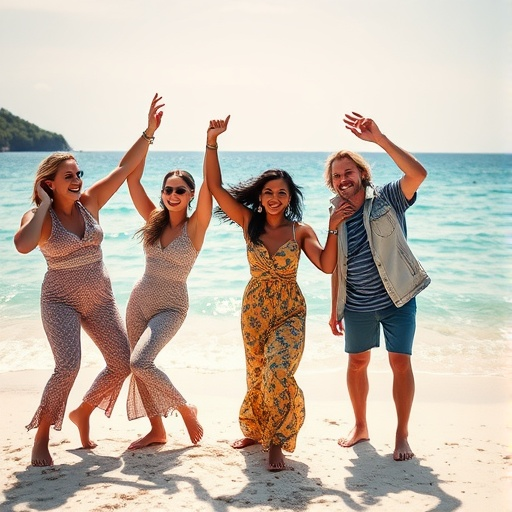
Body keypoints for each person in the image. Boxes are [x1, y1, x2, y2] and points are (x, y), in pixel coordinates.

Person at [13, 94, 164, 466]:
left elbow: (125, 168)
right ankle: (43, 437)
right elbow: (22, 246)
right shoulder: (38, 217)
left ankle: (83, 413)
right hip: (59, 298)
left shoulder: (91, 203)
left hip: (100, 297)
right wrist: (45, 204)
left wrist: (148, 132)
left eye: (79, 174)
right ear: (49, 184)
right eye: (69, 177)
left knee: (122, 362)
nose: (78, 180)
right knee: (67, 366)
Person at [204, 116, 351, 471]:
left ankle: (277, 441)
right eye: (268, 192)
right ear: (260, 196)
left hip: (289, 311)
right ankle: (255, 430)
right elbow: (215, 187)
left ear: (290, 198)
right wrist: (212, 141)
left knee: (277, 370)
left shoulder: (301, 231)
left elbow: (327, 266)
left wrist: (333, 229)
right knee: (256, 372)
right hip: (254, 307)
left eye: (281, 192)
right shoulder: (248, 222)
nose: (274, 198)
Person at [326, 112, 430, 461]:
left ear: (362, 175)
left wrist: (379, 139)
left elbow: (418, 174)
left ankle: (402, 434)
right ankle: (361, 425)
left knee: (400, 361)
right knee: (357, 362)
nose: (343, 179)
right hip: (356, 305)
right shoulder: (335, 216)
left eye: (348, 172)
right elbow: (336, 267)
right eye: (337, 175)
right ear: (332, 182)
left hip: (397, 298)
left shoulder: (388, 198)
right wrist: (334, 309)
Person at [124, 147, 212, 450]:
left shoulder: (196, 226)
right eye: (167, 189)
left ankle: (185, 409)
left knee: (141, 361)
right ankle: (157, 430)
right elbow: (132, 180)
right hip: (139, 300)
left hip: (172, 305)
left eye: (180, 190)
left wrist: (210, 142)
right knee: (137, 368)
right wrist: (148, 135)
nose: (173, 194)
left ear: (191, 195)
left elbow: (210, 181)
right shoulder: (154, 220)